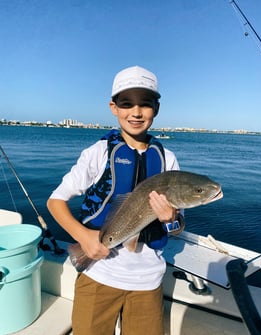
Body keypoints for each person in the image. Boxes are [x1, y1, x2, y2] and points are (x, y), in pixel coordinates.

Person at [47, 65, 183, 335]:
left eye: (145, 104)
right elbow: (55, 201)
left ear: (156, 108)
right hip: (98, 276)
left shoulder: (168, 159)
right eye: (126, 103)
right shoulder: (97, 152)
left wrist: (171, 219)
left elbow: (177, 227)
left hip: (148, 283)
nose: (136, 112)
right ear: (113, 107)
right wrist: (84, 237)